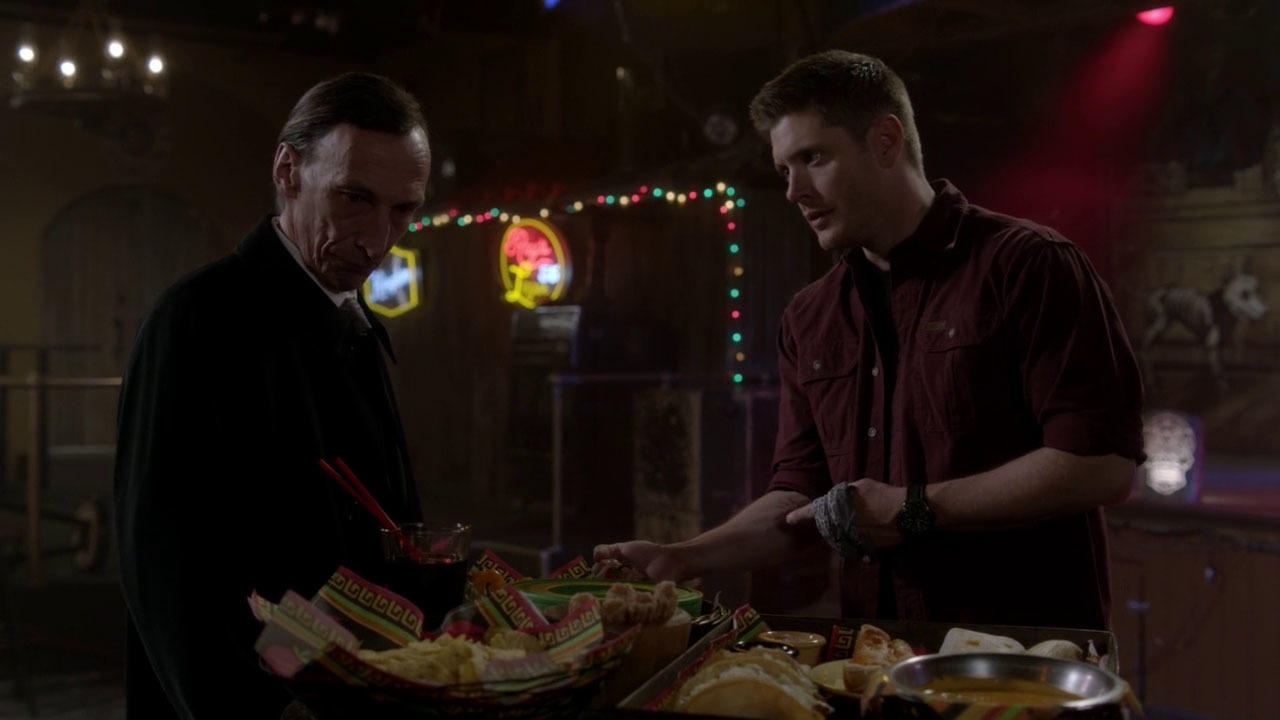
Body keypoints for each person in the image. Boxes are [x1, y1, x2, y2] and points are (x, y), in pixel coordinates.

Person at [594, 51, 1144, 630]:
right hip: (874, 652)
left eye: (813, 158)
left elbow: (1102, 465)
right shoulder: (809, 317)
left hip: (1022, 657)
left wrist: (913, 509)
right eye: (784, 170)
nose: (794, 191)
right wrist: (683, 557)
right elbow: (799, 497)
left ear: (885, 142)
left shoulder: (1028, 266)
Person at [115, 72, 430, 719]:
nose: (377, 240)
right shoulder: (197, 320)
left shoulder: (357, 326)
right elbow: (167, 567)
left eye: (402, 211)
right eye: (354, 198)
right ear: (288, 171)